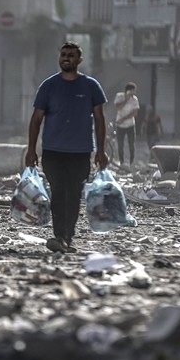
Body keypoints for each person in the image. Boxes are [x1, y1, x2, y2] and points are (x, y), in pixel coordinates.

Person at [25, 41, 108, 253]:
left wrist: (101, 151)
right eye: (63, 54)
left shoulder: (91, 86)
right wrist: (31, 149)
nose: (66, 58)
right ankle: (59, 235)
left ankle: (67, 236)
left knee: (74, 195)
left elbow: (100, 119)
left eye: (71, 55)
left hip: (80, 153)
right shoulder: (48, 86)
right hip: (53, 152)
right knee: (59, 192)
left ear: (79, 59)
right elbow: (36, 120)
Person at [112, 82, 139, 167]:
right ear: (128, 91)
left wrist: (123, 119)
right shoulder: (119, 96)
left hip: (130, 125)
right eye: (133, 91)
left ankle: (132, 162)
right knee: (120, 145)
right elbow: (118, 108)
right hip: (120, 126)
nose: (134, 93)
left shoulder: (135, 99)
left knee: (131, 144)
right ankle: (122, 162)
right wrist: (126, 99)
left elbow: (135, 113)